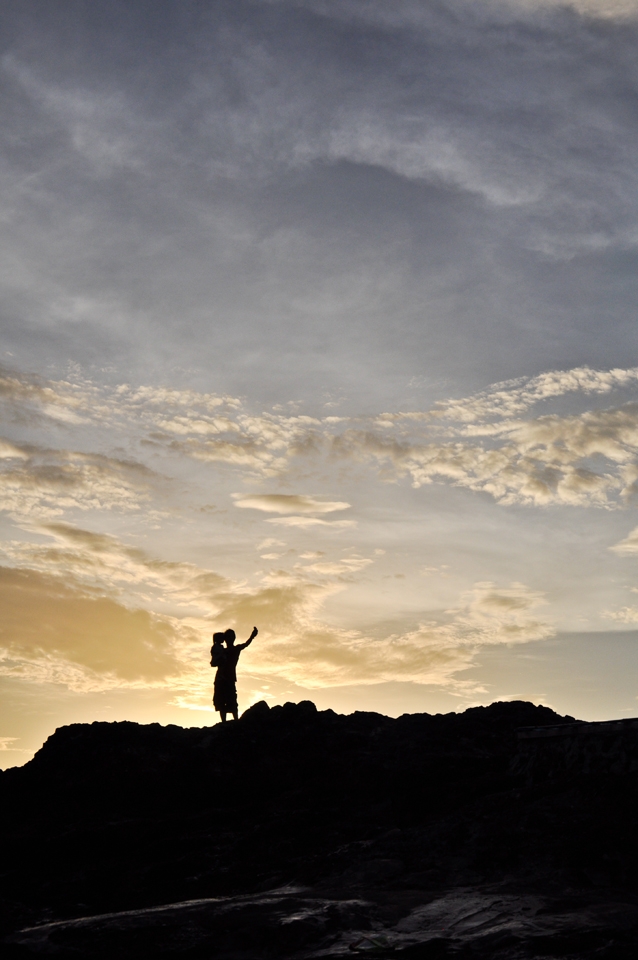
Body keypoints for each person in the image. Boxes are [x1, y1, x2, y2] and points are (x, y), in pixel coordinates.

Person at [211, 625, 258, 722]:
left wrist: (252, 636)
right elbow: (214, 662)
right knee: (221, 700)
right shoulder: (221, 650)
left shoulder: (236, 649)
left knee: (231, 699)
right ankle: (224, 721)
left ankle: (236, 720)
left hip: (229, 678)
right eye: (227, 637)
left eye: (231, 637)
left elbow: (246, 644)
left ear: (234, 638)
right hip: (220, 678)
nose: (229, 639)